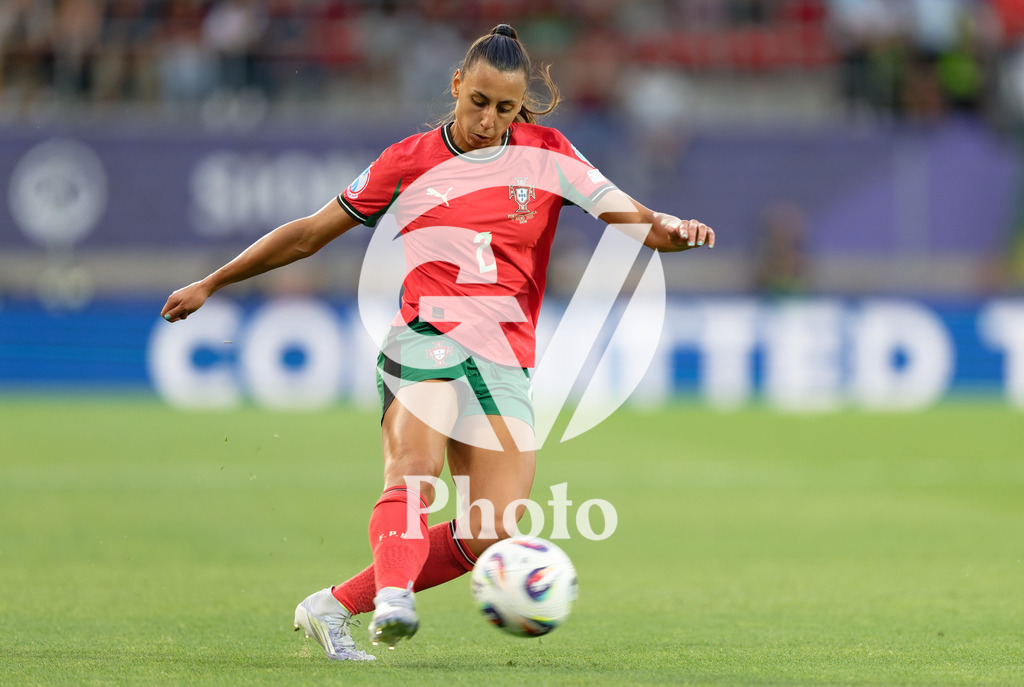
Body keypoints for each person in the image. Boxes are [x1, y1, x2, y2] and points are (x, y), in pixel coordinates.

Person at [160, 23, 715, 661]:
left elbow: (639, 223)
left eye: (505, 108)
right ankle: (396, 597)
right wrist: (213, 281)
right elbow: (312, 232)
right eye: (478, 101)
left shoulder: (548, 153)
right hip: (425, 340)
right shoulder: (410, 160)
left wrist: (676, 229)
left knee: (491, 532)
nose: (489, 120)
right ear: (456, 85)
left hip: (505, 359)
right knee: (413, 473)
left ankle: (332, 607)